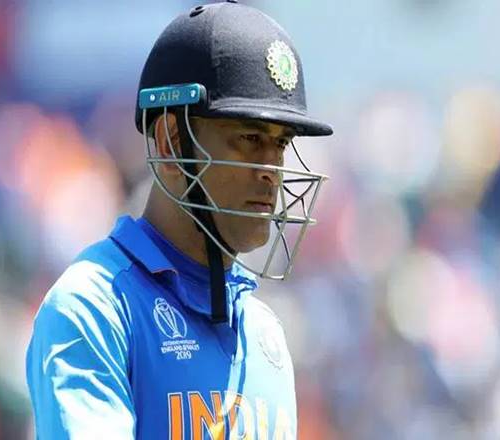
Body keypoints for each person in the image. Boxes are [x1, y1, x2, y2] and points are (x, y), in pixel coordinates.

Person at [26, 1, 332, 438]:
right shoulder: (94, 308)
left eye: (280, 144)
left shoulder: (265, 333)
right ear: (171, 143)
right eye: (249, 138)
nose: (271, 170)